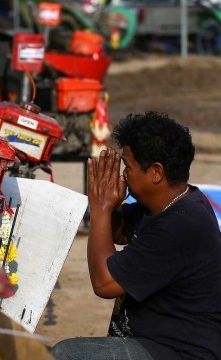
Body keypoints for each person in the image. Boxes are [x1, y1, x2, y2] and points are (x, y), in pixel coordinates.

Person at [51, 111, 221, 360]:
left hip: (183, 352)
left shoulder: (179, 226)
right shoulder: (170, 203)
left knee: (66, 354)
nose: (124, 175)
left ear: (156, 172)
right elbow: (118, 233)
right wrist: (109, 203)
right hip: (157, 342)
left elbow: (105, 283)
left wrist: (100, 208)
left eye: (128, 167)